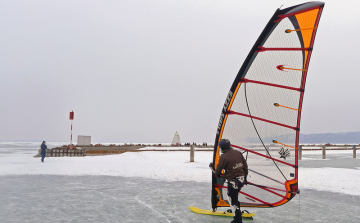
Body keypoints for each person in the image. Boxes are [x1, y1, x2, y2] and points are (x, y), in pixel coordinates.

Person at [209, 139, 248, 223]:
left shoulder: (223, 157)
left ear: (222, 148)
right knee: (234, 198)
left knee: (231, 199)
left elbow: (217, 172)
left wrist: (212, 167)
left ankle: (238, 219)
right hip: (241, 180)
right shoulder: (238, 153)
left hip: (234, 181)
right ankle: (237, 218)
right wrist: (245, 178)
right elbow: (245, 166)